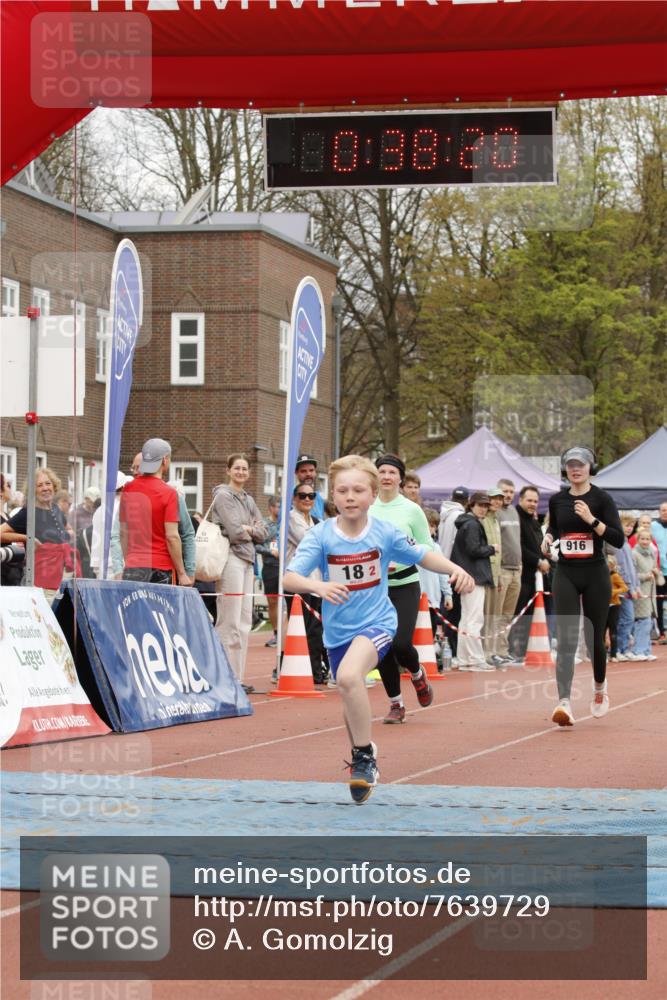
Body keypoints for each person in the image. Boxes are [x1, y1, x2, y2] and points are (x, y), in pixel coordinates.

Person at [283, 454, 474, 804]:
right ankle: (364, 745)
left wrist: (453, 569)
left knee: (349, 677)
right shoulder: (321, 535)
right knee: (347, 688)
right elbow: (289, 577)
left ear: (373, 495)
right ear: (334, 497)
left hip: (378, 623)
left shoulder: (385, 532)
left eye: (358, 490)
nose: (351, 496)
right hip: (338, 630)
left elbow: (423, 555)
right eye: (343, 491)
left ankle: (363, 757)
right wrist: (320, 587)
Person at [542, 447, 623, 726]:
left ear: (591, 467)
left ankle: (600, 690)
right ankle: (564, 702)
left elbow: (618, 539)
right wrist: (547, 538)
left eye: (581, 465)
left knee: (593, 641)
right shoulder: (557, 500)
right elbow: (555, 528)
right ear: (566, 470)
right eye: (570, 465)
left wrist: (592, 521)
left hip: (595, 574)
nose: (575, 469)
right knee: (565, 640)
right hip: (565, 571)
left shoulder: (602, 498)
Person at [370, 454, 435, 724]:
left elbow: (427, 547)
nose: (386, 476)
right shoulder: (367, 507)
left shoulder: (411, 510)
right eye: (382, 471)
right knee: (381, 647)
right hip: (375, 588)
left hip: (406, 584)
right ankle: (396, 704)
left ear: (400, 478)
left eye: (391, 472)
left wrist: (406, 556)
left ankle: (418, 674)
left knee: (401, 643)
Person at [212, 453, 267, 693]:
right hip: (232, 558)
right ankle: (224, 676)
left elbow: (266, 531)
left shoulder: (248, 498)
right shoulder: (223, 495)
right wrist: (250, 530)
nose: (241, 472)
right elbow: (235, 532)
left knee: (245, 622)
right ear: (228, 470)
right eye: (237, 468)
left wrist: (252, 530)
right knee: (229, 621)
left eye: (245, 469)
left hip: (248, 560)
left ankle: (238, 676)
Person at [119, 438, 192, 588]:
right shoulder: (169, 493)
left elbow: (123, 532)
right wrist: (182, 573)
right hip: (161, 567)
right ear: (165, 460)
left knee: (135, 611)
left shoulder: (128, 489)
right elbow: (172, 536)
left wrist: (130, 560)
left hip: (133, 565)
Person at [1, 467, 77, 601]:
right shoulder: (28, 512)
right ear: (33, 491)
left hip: (59, 583)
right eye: (39, 485)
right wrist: (28, 538)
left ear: (54, 486)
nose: (45, 488)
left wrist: (64, 538)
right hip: (38, 586)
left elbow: (70, 531)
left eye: (48, 483)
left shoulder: (55, 510)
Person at [285, 483, 329, 684]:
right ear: (294, 498)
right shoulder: (290, 519)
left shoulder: (316, 521)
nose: (307, 499)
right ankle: (308, 671)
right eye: (302, 495)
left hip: (316, 582)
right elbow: (309, 542)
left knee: (316, 629)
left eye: (311, 496)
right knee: (302, 628)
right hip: (298, 582)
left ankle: (315, 670)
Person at [450, 492, 497, 672]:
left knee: (467, 619)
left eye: (486, 505)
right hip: (473, 576)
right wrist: (492, 548)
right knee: (474, 619)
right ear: (471, 505)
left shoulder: (466, 523)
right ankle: (475, 659)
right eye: (480, 505)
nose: (483, 508)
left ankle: (465, 659)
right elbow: (473, 549)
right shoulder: (472, 524)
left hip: (466, 575)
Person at [510, 486, 551, 662]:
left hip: (534, 577)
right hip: (520, 575)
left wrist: (545, 557)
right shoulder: (516, 517)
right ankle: (512, 650)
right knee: (517, 614)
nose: (533, 504)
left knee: (528, 615)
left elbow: (537, 544)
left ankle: (521, 651)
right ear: (520, 500)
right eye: (529, 500)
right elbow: (518, 546)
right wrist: (537, 561)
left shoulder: (533, 521)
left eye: (535, 501)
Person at [437, 486, 468, 660]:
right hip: (454, 565)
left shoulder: (443, 515)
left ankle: (448, 648)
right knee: (455, 612)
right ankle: (454, 651)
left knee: (448, 611)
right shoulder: (459, 517)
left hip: (442, 563)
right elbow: (458, 543)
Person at [494, 478, 523, 663]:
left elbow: (516, 540)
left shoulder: (513, 511)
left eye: (511, 492)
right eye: (505, 491)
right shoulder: (495, 513)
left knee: (507, 615)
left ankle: (503, 651)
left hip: (516, 569)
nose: (508, 495)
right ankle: (493, 651)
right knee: (496, 613)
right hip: (502, 569)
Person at [611, 514, 642, 661]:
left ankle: (623, 649)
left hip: (631, 589)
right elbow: (622, 568)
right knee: (626, 619)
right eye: (626, 525)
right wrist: (630, 588)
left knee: (627, 619)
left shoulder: (627, 544)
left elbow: (633, 569)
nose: (629, 528)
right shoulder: (618, 544)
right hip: (623, 590)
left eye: (631, 525)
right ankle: (618, 649)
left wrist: (637, 587)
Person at [90, 472, 133, 579]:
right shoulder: (126, 508)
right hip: (121, 568)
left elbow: (95, 543)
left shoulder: (99, 510)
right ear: (124, 487)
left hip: (102, 568)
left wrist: (97, 569)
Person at [632, 529, 661, 661]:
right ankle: (638, 650)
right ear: (638, 540)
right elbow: (632, 576)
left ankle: (647, 650)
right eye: (642, 539)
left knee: (648, 622)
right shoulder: (634, 554)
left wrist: (656, 573)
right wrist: (645, 576)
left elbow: (658, 577)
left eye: (647, 539)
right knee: (642, 622)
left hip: (651, 593)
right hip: (640, 592)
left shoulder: (652, 554)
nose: (645, 541)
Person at [482, 487, 503, 666]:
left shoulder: (497, 521)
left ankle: (491, 651)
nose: (497, 502)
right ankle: (484, 653)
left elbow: (499, 552)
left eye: (500, 499)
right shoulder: (483, 520)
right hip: (485, 573)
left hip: (497, 574)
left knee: (494, 615)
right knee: (485, 615)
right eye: (494, 498)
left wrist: (500, 576)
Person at [255, 495, 280, 647]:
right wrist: (271, 552)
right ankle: (276, 633)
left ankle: (287, 633)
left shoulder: (288, 523)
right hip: (270, 567)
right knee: (272, 601)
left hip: (286, 567)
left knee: (288, 601)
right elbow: (256, 546)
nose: (280, 509)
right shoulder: (264, 524)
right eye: (277, 506)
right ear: (271, 508)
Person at [606, 555, 628, 662]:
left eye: (609, 566)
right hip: (603, 606)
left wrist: (614, 592)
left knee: (613, 630)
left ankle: (613, 654)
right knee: (601, 631)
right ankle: (604, 654)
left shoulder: (615, 576)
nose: (607, 568)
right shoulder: (600, 576)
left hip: (614, 605)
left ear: (613, 566)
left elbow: (624, 587)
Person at [652, 502, 667, 643]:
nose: (665, 512)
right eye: (663, 510)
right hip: (659, 572)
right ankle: (661, 632)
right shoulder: (652, 527)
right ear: (659, 511)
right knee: (658, 603)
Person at [293, 455, 325, 520]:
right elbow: (282, 525)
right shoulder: (290, 496)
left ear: (315, 472)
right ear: (296, 473)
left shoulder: (318, 497)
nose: (308, 474)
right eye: (303, 471)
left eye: (311, 470)